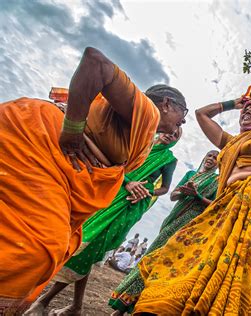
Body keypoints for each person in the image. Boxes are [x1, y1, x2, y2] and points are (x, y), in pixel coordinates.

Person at [0, 46, 188, 312]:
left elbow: (128, 171)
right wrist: (73, 129)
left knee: (57, 242)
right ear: (167, 104)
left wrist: (136, 187)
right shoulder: (148, 111)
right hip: (38, 144)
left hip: (58, 170)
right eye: (184, 116)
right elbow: (94, 61)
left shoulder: (146, 139)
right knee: (40, 245)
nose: (182, 126)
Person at [133, 87, 251, 314]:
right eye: (246, 109)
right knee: (192, 248)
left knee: (244, 262)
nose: (248, 111)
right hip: (227, 203)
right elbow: (201, 114)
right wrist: (237, 102)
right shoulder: (228, 141)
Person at [24, 129, 181, 315]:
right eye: (169, 132)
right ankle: (74, 306)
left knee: (90, 246)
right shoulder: (141, 144)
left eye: (175, 135)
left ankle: (44, 300)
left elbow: (164, 188)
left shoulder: (169, 160)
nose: (170, 135)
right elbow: (117, 165)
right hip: (109, 192)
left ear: (176, 140)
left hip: (129, 206)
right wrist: (129, 181)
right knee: (83, 245)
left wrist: (148, 191)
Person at [109, 150, 220, 314]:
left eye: (215, 158)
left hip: (191, 227)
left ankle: (142, 307)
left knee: (165, 264)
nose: (211, 159)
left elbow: (215, 206)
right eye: (209, 155)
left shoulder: (217, 181)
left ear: (219, 163)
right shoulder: (191, 174)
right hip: (172, 221)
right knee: (150, 258)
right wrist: (184, 192)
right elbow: (173, 195)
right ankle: (122, 304)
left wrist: (197, 196)